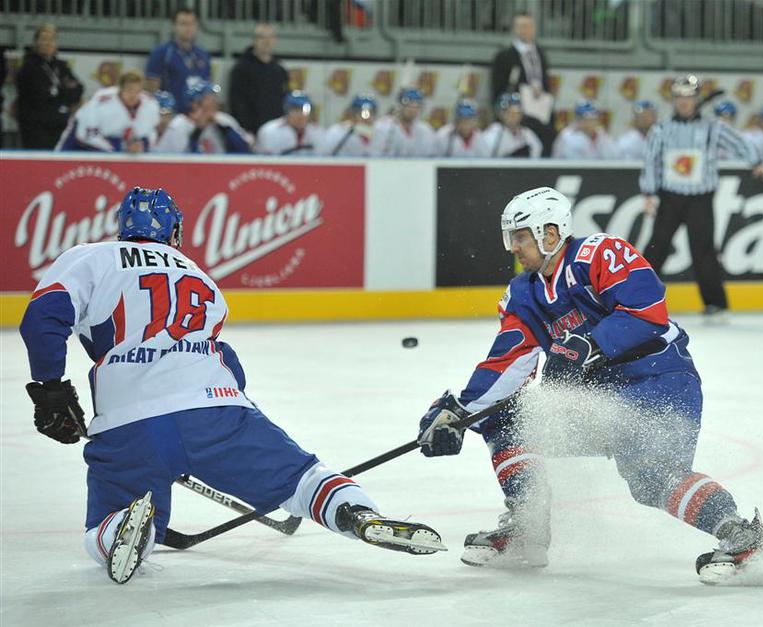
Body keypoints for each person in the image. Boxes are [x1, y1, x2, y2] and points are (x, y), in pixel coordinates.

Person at [19, 187, 446, 585]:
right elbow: (228, 363)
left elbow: (43, 318)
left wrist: (51, 390)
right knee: (303, 479)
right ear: (174, 230)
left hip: (128, 419)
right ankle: (356, 513)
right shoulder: (198, 275)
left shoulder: (91, 257)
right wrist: (212, 427)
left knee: (103, 523)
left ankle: (122, 529)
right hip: (215, 408)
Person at [415, 186, 763, 585]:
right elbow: (507, 362)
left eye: (521, 237)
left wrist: (591, 342)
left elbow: (648, 311)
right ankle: (528, 530)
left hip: (658, 379)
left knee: (652, 476)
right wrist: (461, 413)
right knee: (506, 420)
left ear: (550, 233)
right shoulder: (523, 295)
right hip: (599, 399)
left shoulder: (599, 254)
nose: (514, 248)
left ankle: (745, 540)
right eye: (512, 238)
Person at [640, 75, 763, 318]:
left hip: (700, 199)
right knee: (657, 247)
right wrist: (648, 193)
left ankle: (715, 302)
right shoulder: (661, 129)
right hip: (670, 197)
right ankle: (637, 298)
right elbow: (651, 161)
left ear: (696, 99)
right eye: (679, 97)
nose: (684, 102)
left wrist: (756, 161)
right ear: (674, 100)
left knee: (704, 250)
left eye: (689, 97)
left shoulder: (712, 127)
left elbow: (738, 142)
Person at [490, 12, 556, 156]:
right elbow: (498, 90)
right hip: (518, 119)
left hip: (541, 116)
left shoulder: (541, 54)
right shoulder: (504, 56)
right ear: (514, 29)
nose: (526, 30)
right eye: (521, 26)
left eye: (529, 26)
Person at [15, 23, 84, 149]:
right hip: (35, 128)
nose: (48, 43)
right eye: (44, 39)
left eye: (52, 39)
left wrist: (58, 92)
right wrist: (64, 90)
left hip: (60, 125)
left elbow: (79, 88)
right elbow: (38, 96)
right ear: (36, 42)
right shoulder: (28, 67)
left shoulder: (61, 65)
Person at [56, 69, 159, 153]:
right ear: (120, 89)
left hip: (114, 143)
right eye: (129, 90)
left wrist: (142, 146)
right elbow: (85, 136)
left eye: (137, 91)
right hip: (78, 139)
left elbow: (150, 135)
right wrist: (122, 148)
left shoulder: (150, 105)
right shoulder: (101, 101)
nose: (133, 95)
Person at [154, 80, 252, 154]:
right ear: (195, 103)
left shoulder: (224, 120)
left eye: (214, 97)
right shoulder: (179, 125)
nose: (215, 101)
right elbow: (178, 161)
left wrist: (224, 130)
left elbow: (243, 150)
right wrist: (198, 130)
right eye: (209, 97)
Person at [145, 9, 211, 113]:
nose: (188, 28)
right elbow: (152, 92)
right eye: (183, 24)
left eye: (192, 24)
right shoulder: (161, 53)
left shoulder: (203, 55)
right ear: (174, 26)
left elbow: (208, 89)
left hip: (196, 116)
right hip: (171, 116)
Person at [228, 23, 288, 134]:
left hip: (276, 132)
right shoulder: (241, 69)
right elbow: (237, 103)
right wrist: (246, 130)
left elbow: (284, 101)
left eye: (270, 37)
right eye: (262, 37)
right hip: (251, 133)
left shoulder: (280, 70)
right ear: (254, 40)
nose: (267, 41)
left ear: (275, 40)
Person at [370, 87, 437, 157]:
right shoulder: (382, 127)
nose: (412, 110)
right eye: (408, 105)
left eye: (416, 106)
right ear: (400, 106)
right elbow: (375, 155)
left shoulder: (426, 130)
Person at [255, 91, 323, 155]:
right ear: (287, 111)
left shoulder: (318, 132)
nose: (300, 115)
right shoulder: (270, 130)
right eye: (296, 110)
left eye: (305, 111)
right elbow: (263, 159)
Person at [551, 99, 617, 159]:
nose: (588, 123)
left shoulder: (603, 135)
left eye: (592, 119)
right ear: (577, 120)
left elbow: (614, 156)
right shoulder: (567, 136)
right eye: (584, 119)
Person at [481, 93, 542, 158]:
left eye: (517, 113)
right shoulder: (493, 133)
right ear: (501, 114)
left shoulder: (527, 134)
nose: (514, 116)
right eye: (510, 112)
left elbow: (537, 152)